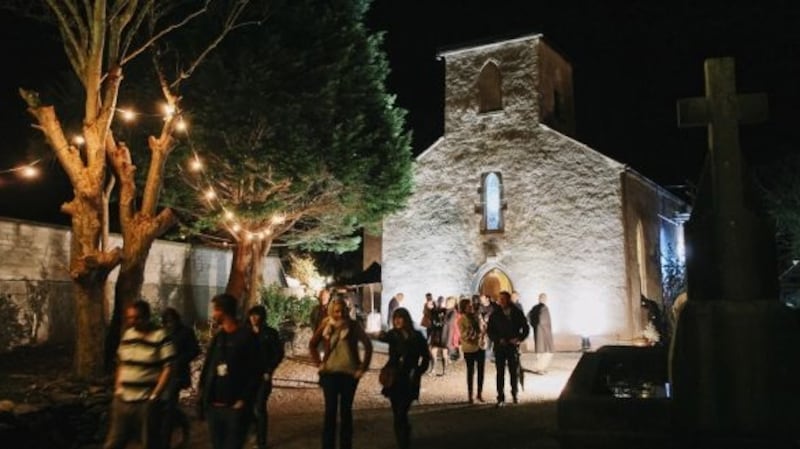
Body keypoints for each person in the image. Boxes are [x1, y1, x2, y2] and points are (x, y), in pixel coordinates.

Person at [104, 300, 174, 449]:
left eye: (137, 318)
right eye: (130, 318)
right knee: (114, 441)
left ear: (147, 317)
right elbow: (121, 363)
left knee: (149, 442)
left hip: (145, 401)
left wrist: (155, 395)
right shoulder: (128, 335)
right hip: (123, 400)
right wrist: (118, 388)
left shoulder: (160, 336)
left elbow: (168, 368)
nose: (133, 322)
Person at [308, 297, 373, 449]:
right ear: (332, 310)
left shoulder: (353, 325)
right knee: (330, 412)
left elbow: (368, 346)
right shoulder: (326, 324)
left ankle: (346, 445)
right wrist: (319, 363)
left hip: (349, 375)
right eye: (337, 311)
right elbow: (312, 344)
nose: (340, 313)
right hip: (330, 373)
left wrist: (362, 368)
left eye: (343, 310)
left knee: (346, 412)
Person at [198, 294, 259, 449]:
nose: (213, 314)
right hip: (215, 406)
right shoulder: (218, 338)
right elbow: (208, 367)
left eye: (215, 310)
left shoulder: (246, 337)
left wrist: (243, 400)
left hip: (235, 407)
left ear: (223, 312)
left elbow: (255, 371)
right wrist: (204, 395)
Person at [378, 308, 430, 449]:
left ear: (406, 319)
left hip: (410, 377)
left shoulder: (417, 336)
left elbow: (426, 356)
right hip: (394, 378)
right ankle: (402, 441)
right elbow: (380, 337)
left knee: (402, 411)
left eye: (400, 317)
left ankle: (404, 437)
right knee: (397, 412)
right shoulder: (393, 335)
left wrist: (419, 371)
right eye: (395, 318)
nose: (397, 320)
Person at [160, 307, 200, 449]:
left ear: (176, 320)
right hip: (162, 375)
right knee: (165, 407)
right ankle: (183, 423)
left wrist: (180, 360)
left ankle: (165, 442)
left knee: (169, 407)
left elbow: (195, 350)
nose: (169, 324)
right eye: (166, 321)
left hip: (177, 375)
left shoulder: (186, 332)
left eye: (171, 321)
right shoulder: (163, 333)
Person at [248, 305, 285, 449]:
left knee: (259, 407)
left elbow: (278, 353)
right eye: (251, 315)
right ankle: (252, 433)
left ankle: (261, 441)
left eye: (256, 315)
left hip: (263, 376)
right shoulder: (245, 333)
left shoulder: (270, 333)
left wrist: (269, 370)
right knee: (248, 406)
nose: (253, 318)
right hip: (247, 377)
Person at [487, 291, 529, 407]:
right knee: (500, 373)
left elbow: (525, 327)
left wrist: (519, 339)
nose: (502, 301)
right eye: (500, 299)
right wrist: (498, 339)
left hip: (512, 347)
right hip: (500, 347)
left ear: (508, 300)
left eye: (504, 299)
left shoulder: (517, 313)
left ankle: (515, 394)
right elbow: (490, 331)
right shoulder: (495, 314)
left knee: (513, 372)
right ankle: (500, 397)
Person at [457, 298, 486, 403]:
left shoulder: (477, 316)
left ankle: (479, 393)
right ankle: (470, 395)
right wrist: (473, 333)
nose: (471, 307)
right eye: (468, 306)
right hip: (469, 348)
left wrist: (483, 327)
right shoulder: (461, 320)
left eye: (471, 305)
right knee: (470, 372)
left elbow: (484, 328)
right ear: (464, 308)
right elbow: (463, 335)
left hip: (480, 347)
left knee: (481, 371)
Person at [528, 293, 554, 374]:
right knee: (547, 351)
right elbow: (543, 320)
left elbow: (528, 316)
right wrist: (538, 325)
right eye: (544, 298)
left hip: (539, 331)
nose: (544, 300)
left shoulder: (535, 308)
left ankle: (542, 368)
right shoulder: (543, 308)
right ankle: (540, 368)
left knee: (541, 350)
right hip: (544, 332)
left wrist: (534, 325)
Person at [427, 297, 448, 375]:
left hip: (443, 334)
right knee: (433, 352)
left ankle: (444, 370)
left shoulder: (446, 311)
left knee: (444, 353)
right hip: (435, 334)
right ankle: (433, 369)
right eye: (439, 301)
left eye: (441, 302)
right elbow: (429, 310)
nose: (439, 303)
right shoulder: (434, 311)